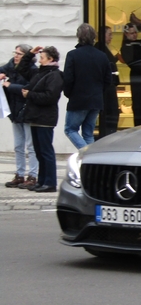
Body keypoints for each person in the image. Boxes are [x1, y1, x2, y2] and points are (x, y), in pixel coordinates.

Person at [17, 46, 64, 193]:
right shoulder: (40, 72)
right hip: (35, 117)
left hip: (45, 118)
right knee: (38, 151)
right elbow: (22, 69)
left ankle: (50, 182)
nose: (40, 60)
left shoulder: (55, 75)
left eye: (42, 57)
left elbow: (50, 97)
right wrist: (31, 53)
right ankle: (42, 180)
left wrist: (30, 95)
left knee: (46, 151)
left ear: (51, 59)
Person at [63, 23, 112, 149]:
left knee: (70, 130)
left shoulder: (73, 55)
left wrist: (69, 94)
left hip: (78, 99)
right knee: (88, 134)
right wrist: (99, 93)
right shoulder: (102, 56)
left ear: (78, 36)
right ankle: (92, 160)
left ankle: (86, 155)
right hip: (96, 100)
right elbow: (108, 80)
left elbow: (68, 79)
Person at [0, 45, 39, 189]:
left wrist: (10, 86)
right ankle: (19, 174)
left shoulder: (33, 70)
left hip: (27, 111)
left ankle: (33, 175)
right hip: (15, 111)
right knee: (18, 146)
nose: (16, 56)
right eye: (15, 53)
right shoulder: (10, 66)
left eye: (19, 54)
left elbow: (29, 88)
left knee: (31, 145)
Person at [95, 26, 121, 136]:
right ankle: (108, 133)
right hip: (107, 86)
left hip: (110, 84)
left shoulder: (104, 47)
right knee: (111, 111)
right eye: (109, 34)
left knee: (112, 111)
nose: (111, 37)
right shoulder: (100, 47)